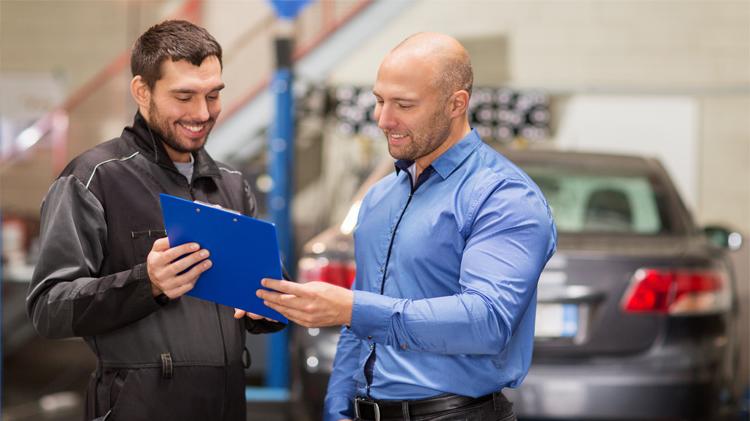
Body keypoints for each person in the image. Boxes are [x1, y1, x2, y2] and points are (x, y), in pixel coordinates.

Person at [257, 32, 557, 421]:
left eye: (404, 105)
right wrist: (338, 410)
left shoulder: (503, 197)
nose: (383, 120)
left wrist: (354, 308)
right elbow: (358, 324)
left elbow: (487, 321)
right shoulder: (381, 198)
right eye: (380, 100)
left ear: (456, 104)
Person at [26, 20, 284, 421]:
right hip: (137, 407)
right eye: (184, 96)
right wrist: (148, 284)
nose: (202, 113)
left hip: (226, 404)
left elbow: (262, 296)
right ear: (142, 91)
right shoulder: (94, 178)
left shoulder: (231, 185)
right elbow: (48, 308)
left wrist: (268, 307)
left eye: (213, 95)